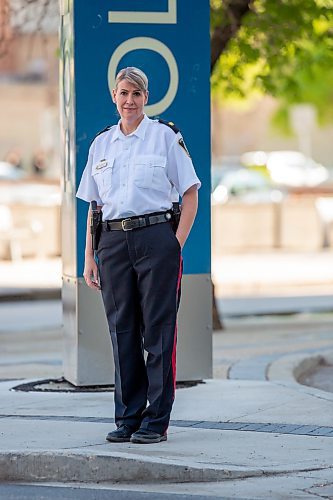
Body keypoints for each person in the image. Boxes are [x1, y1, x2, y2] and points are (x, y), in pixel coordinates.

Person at [76, 67, 201, 444]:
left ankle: (155, 421)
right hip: (112, 244)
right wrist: (89, 257)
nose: (129, 100)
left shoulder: (165, 137)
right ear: (114, 96)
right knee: (122, 332)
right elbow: (95, 207)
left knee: (158, 333)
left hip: (156, 239)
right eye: (123, 93)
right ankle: (128, 417)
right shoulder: (102, 144)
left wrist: (174, 244)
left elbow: (190, 193)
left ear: (146, 97)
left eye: (136, 93)